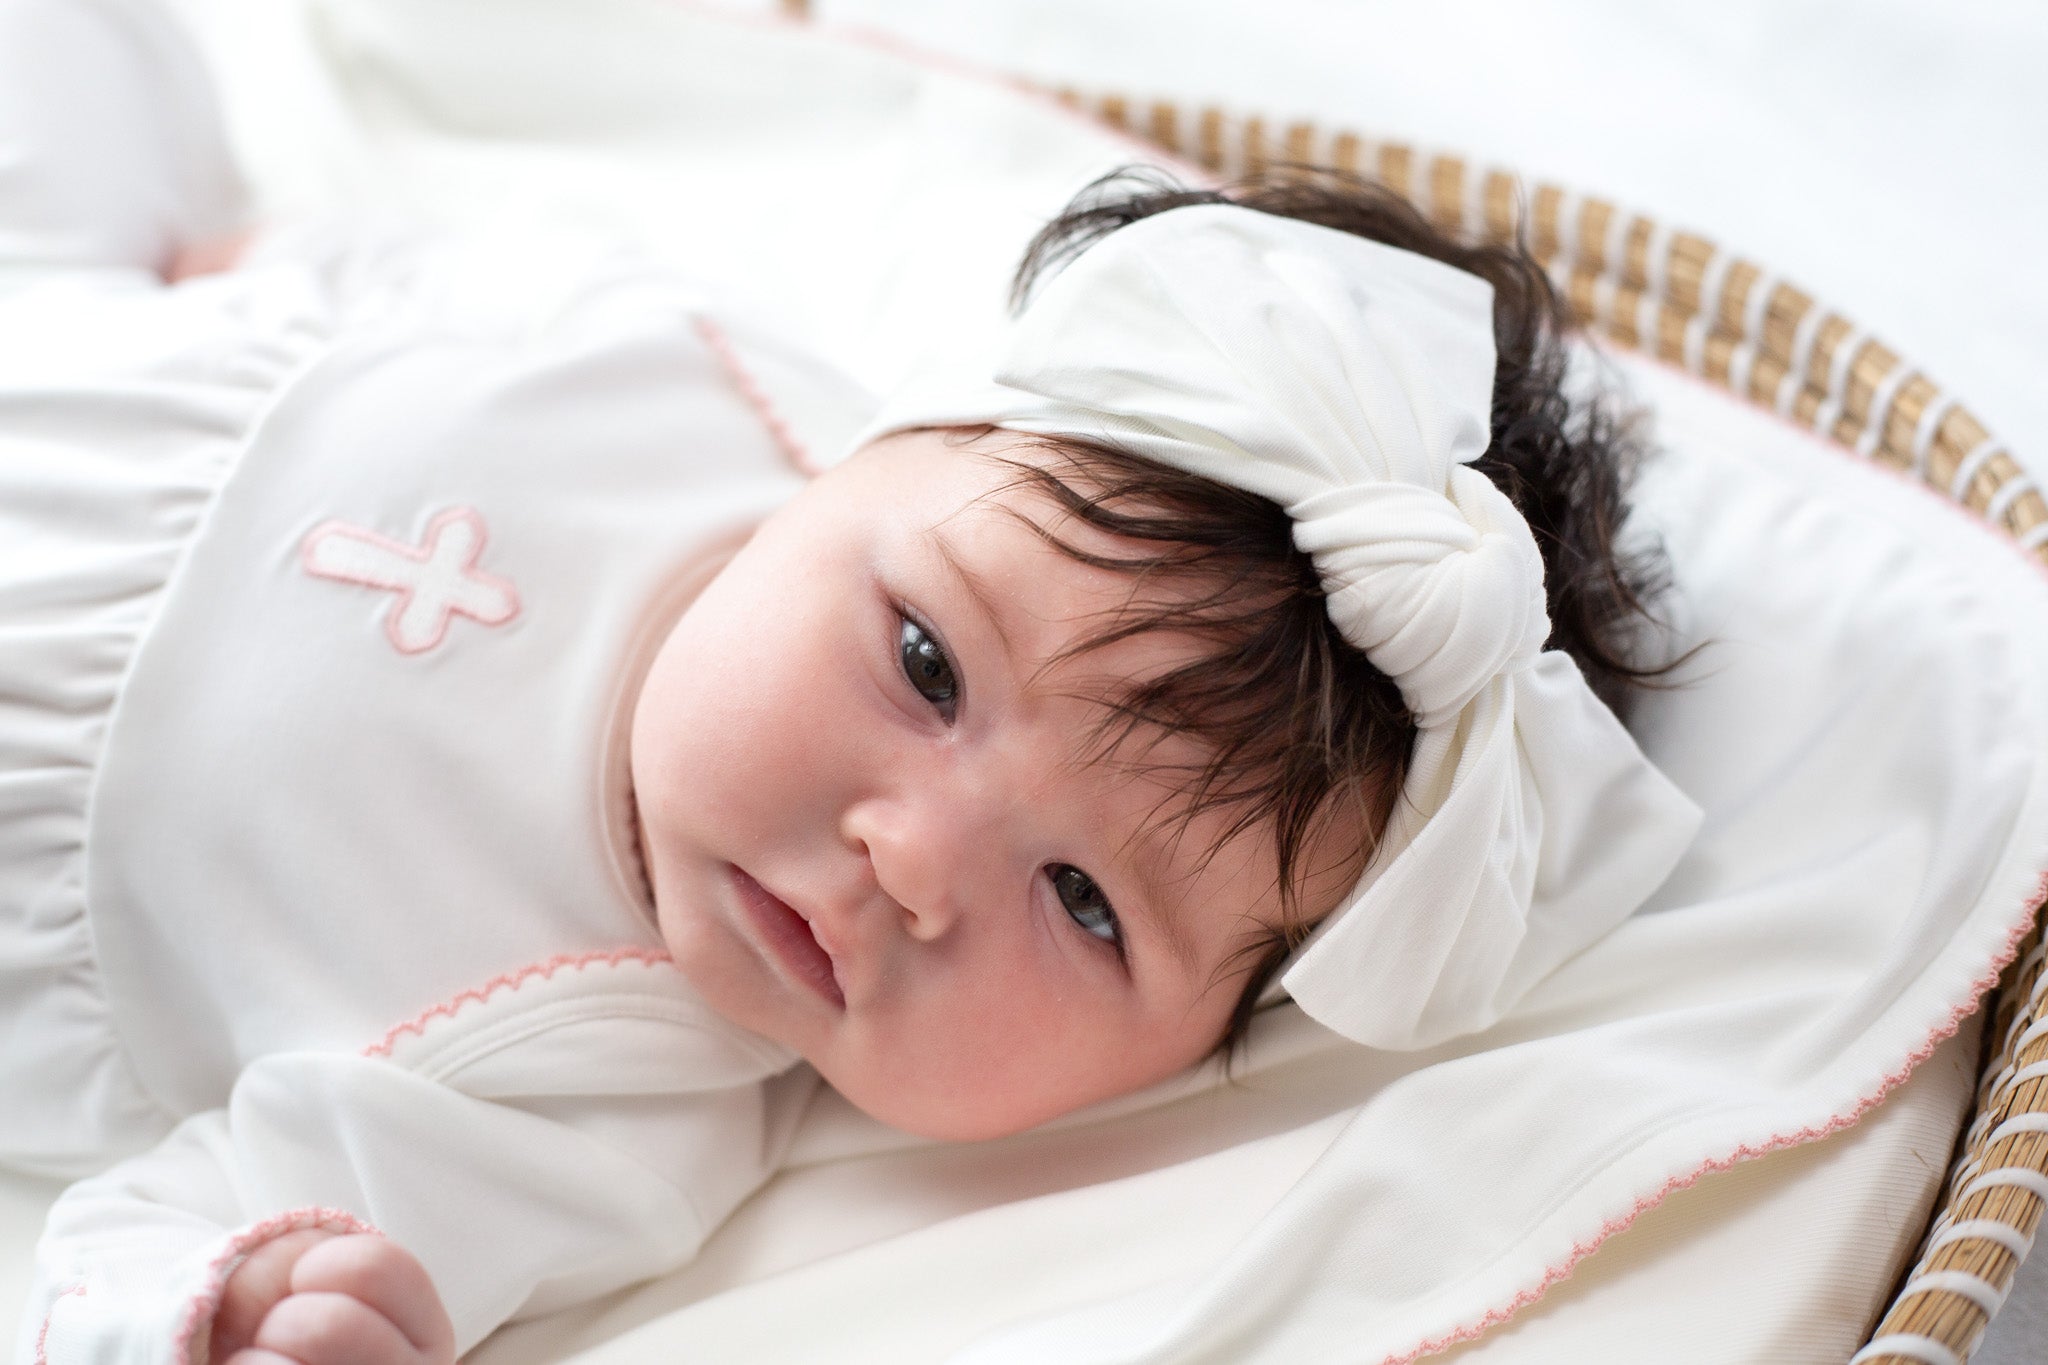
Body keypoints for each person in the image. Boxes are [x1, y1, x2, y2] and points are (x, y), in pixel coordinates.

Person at [2, 1, 1702, 1361]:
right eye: (927, 664)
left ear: (1178, 1061)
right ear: (879, 450)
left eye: (1088, 906)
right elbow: (456, 284)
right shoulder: (714, 375)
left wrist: (237, 1301)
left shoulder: (608, 1102)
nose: (911, 860)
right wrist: (272, 274)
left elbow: (155, 1236)